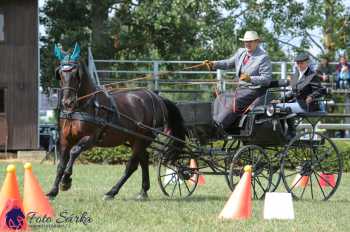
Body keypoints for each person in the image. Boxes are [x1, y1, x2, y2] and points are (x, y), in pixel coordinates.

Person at [204, 30, 272, 131]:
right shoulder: (241, 52)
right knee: (221, 97)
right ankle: (214, 121)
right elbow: (228, 63)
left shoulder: (263, 57)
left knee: (235, 102)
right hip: (240, 89)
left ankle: (220, 126)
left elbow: (267, 79)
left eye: (250, 41)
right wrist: (214, 64)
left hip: (254, 91)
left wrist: (250, 79)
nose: (247, 44)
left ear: (257, 42)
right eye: (246, 41)